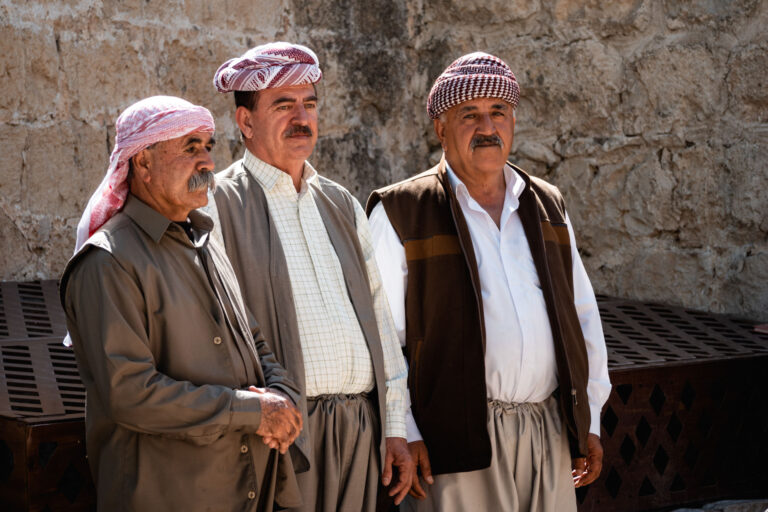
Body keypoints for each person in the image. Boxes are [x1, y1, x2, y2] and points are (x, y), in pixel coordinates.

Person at [366, 52, 612, 512]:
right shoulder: (402, 210)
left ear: (512, 122)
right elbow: (381, 338)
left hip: (549, 431)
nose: (487, 127)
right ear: (441, 129)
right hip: (454, 440)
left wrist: (590, 417)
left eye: (498, 112)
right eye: (469, 115)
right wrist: (406, 430)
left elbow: (583, 318)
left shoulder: (546, 204)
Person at [60, 96, 304, 511]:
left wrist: (282, 397)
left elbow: (255, 343)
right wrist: (252, 411)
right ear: (143, 163)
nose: (207, 162)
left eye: (208, 146)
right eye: (190, 148)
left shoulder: (205, 243)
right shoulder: (108, 262)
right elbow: (132, 393)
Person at [210, 42, 413, 510]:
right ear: (245, 122)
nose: (301, 118)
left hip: (360, 429)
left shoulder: (340, 203)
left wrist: (396, 427)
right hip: (281, 438)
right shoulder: (218, 204)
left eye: (310, 104)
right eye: (283, 106)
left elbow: (381, 321)